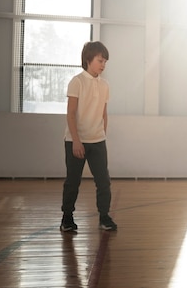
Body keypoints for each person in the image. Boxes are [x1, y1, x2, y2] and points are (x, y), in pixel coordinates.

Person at [60, 41, 117, 232]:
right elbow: (70, 113)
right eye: (100, 60)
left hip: (98, 141)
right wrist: (76, 140)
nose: (103, 65)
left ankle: (104, 217)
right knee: (73, 182)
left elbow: (104, 113)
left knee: (103, 181)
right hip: (76, 141)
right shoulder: (77, 82)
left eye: (105, 62)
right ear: (88, 60)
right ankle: (67, 218)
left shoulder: (105, 85)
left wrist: (103, 134)